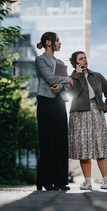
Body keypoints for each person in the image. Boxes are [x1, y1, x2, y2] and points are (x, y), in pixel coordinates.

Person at [68, 51, 107, 190]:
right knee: (84, 149)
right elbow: (73, 93)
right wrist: (78, 75)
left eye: (85, 58)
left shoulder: (97, 76)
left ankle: (106, 181)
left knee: (100, 146)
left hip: (96, 113)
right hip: (79, 115)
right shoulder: (71, 77)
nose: (84, 60)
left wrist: (105, 107)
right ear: (75, 63)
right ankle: (87, 182)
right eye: (81, 59)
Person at [35, 32, 72, 191]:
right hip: (45, 101)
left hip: (59, 102)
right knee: (47, 140)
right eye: (57, 40)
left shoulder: (60, 62)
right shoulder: (40, 59)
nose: (60, 43)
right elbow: (50, 78)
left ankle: (61, 181)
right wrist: (68, 79)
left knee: (61, 141)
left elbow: (68, 86)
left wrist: (63, 86)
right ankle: (45, 180)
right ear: (48, 42)